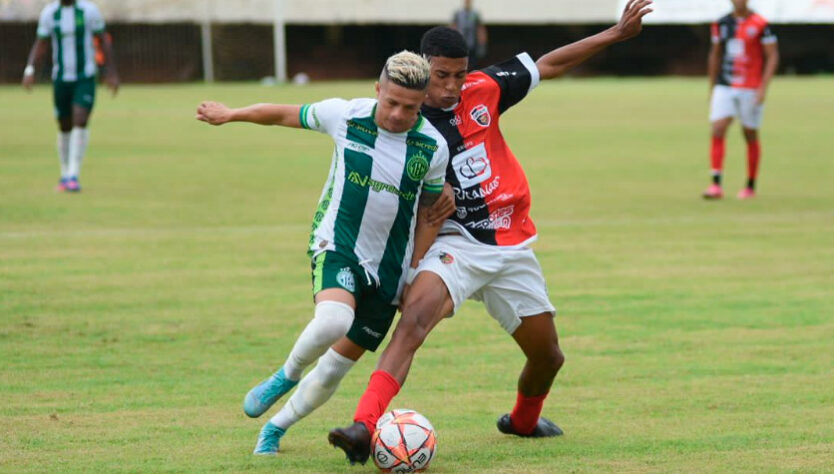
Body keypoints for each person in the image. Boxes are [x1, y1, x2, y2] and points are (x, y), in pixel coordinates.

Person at [328, 0, 653, 465]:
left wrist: (615, 34)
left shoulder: (484, 88)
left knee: (549, 358)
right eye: (441, 75)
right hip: (454, 243)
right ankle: (363, 427)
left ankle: (522, 421)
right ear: (422, 70)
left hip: (512, 244)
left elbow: (547, 64)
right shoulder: (404, 123)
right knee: (413, 324)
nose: (452, 86)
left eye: (458, 74)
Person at [196, 51, 455, 456]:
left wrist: (413, 271)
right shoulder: (346, 115)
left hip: (389, 269)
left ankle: (275, 428)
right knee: (334, 319)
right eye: (391, 102)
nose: (398, 114)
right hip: (338, 245)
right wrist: (232, 114)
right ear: (377, 90)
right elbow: (283, 113)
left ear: (422, 103)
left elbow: (431, 213)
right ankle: (285, 375)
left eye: (410, 106)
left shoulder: (432, 147)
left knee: (336, 367)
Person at [23, 0, 119, 193]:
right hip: (60, 78)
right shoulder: (50, 13)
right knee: (64, 125)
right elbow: (41, 43)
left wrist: (111, 72)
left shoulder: (89, 11)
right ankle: (65, 172)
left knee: (80, 119)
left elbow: (103, 41)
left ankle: (74, 174)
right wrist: (30, 69)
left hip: (85, 77)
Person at [703, 0, 779, 200]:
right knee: (718, 128)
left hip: (750, 86)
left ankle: (750, 185)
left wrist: (763, 87)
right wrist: (712, 86)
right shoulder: (721, 23)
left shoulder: (761, 24)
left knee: (749, 133)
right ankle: (715, 184)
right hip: (725, 85)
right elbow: (716, 53)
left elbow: (772, 56)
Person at [451, 0, 488, 69]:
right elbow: (454, 27)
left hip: (472, 44)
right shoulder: (458, 14)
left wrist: (481, 44)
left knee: (473, 64)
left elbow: (480, 29)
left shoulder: (475, 14)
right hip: (461, 43)